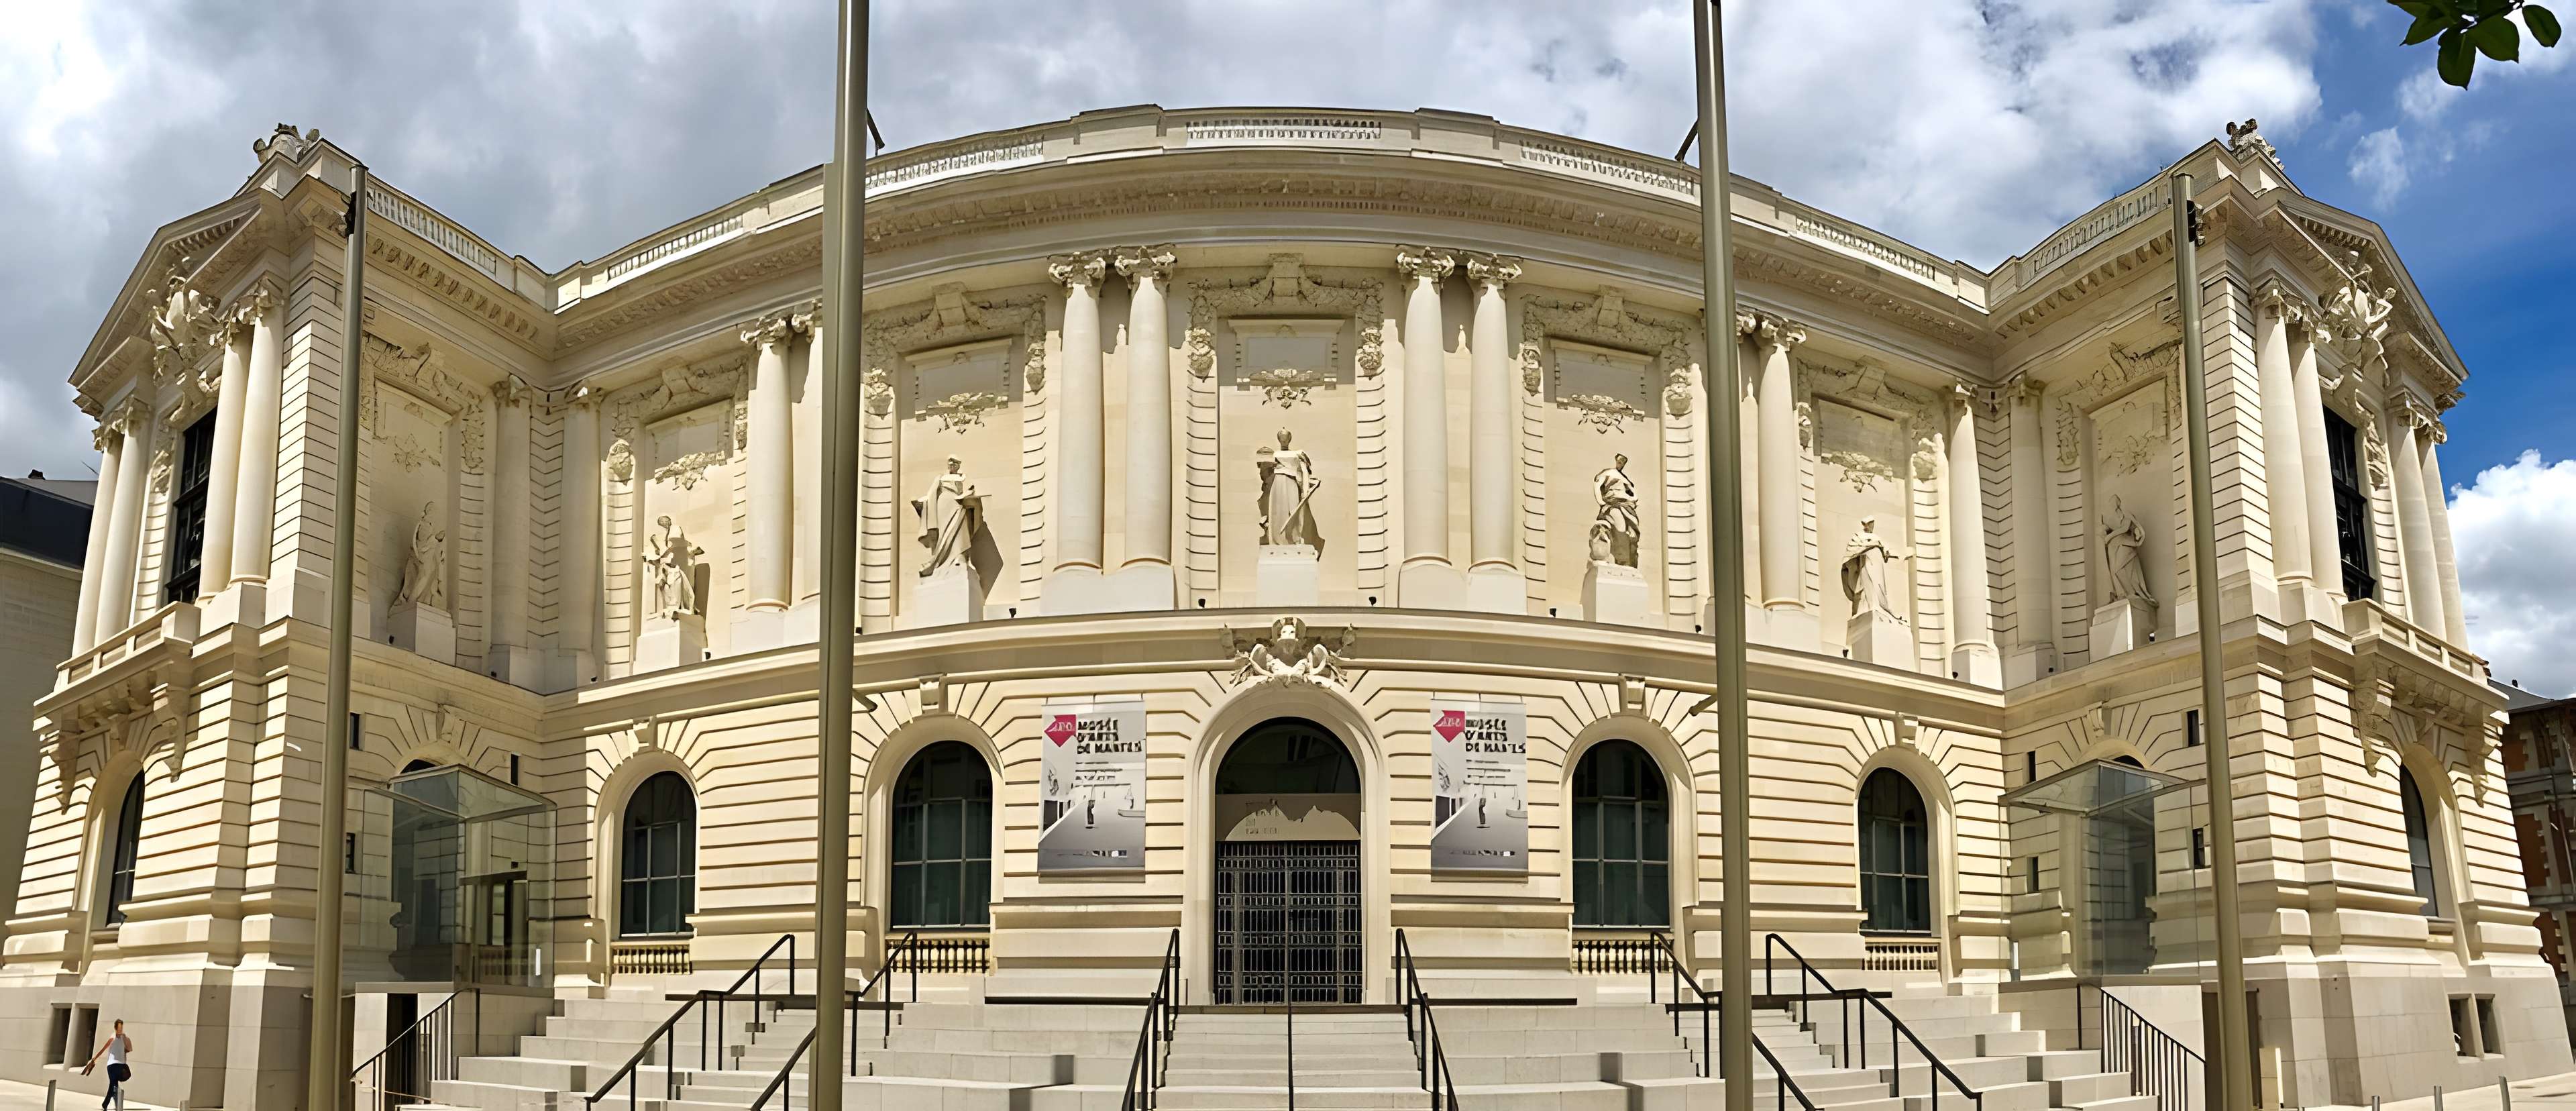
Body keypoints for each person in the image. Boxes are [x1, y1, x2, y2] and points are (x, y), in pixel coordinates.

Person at [83, 1018, 134, 1110]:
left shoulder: (124, 1038)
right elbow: (103, 1049)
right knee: (114, 1085)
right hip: (112, 1065)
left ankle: (108, 1104)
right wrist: (95, 1059)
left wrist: (125, 1040)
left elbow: (130, 1049)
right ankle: (112, 1105)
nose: (120, 1030)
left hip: (121, 1065)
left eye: (121, 1028)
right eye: (119, 1028)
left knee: (114, 1085)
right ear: (115, 1028)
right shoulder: (112, 1038)